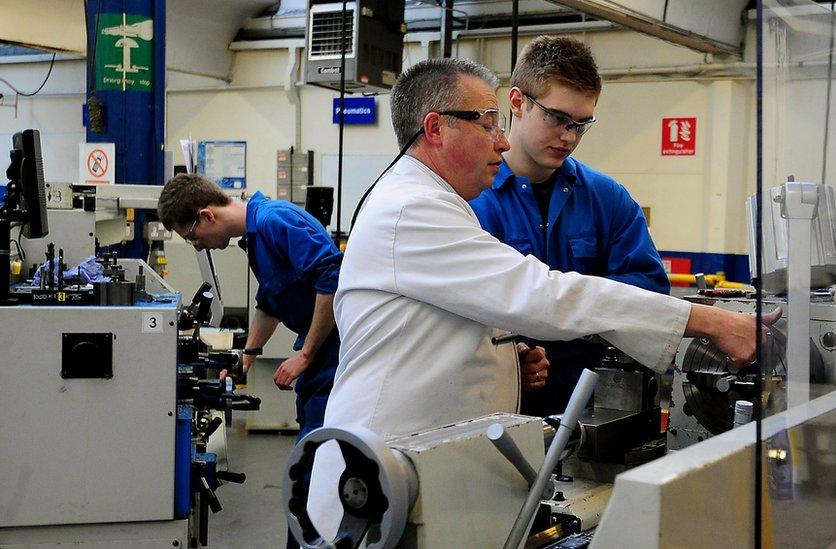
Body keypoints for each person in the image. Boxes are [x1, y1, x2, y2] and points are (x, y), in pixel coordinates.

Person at [306, 57, 778, 539]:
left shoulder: (441, 202)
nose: (502, 139)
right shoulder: (413, 209)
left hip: (428, 467)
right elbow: (545, 295)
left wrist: (506, 358)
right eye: (487, 123)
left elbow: (452, 320)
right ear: (436, 129)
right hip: (380, 476)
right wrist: (712, 323)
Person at [469, 36, 670, 415]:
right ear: (517, 103)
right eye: (558, 118)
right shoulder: (474, 200)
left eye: (581, 124)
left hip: (596, 410)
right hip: (500, 409)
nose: (569, 136)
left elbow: (649, 291)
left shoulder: (608, 199)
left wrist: (564, 314)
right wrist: (515, 353)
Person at [157, 174, 342, 442]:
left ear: (207, 216)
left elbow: (331, 278)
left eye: (191, 237)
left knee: (319, 441)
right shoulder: (255, 239)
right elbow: (270, 304)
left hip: (335, 348)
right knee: (312, 435)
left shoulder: (274, 220)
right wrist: (245, 358)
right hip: (321, 350)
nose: (196, 245)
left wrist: (306, 356)